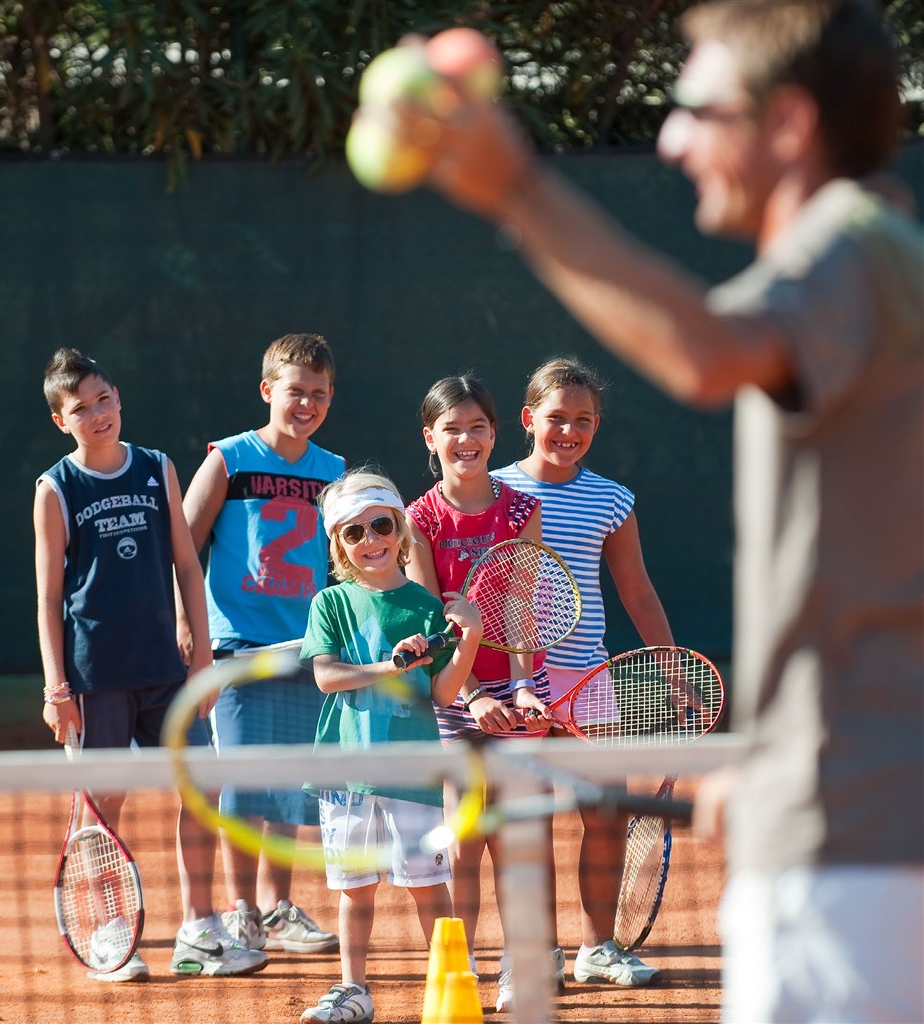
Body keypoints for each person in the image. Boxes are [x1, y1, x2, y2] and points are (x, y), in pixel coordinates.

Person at [394, 2, 924, 1020]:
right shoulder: (873, 260)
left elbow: (703, 354)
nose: (672, 139)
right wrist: (776, 754)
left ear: (788, 125)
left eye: (695, 106)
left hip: (852, 843)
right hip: (844, 811)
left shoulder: (846, 248)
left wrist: (515, 189)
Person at [34, 347, 267, 982]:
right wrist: (58, 689)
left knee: (202, 785)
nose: (98, 414)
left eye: (104, 399)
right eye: (80, 408)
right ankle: (112, 929)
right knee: (105, 800)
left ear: (118, 398)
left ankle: (199, 929)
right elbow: (49, 597)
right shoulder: (55, 488)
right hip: (93, 675)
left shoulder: (156, 467)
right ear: (62, 421)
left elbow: (186, 566)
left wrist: (203, 660)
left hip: (168, 668)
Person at [493, 355, 672, 987]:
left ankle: (599, 949)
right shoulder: (493, 492)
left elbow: (637, 591)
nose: (568, 431)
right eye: (556, 418)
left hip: (588, 683)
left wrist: (669, 664)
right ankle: (537, 954)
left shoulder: (612, 499)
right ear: (526, 419)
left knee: (603, 813)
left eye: (584, 420)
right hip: (512, 687)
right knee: (528, 821)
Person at [297, 469, 483, 1024]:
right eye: (353, 533)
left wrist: (468, 637)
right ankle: (353, 992)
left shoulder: (428, 608)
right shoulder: (329, 603)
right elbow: (327, 677)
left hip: (413, 773)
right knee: (355, 891)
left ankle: (449, 987)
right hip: (345, 772)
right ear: (338, 545)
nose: (370, 540)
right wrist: (390, 664)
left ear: (401, 531)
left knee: (428, 888)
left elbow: (445, 692)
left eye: (380, 525)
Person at [177, 333, 342, 957]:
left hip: (308, 650)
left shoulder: (332, 471)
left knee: (290, 786)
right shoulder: (230, 459)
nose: (306, 403)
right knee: (242, 785)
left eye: (319, 394)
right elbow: (184, 548)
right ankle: (240, 910)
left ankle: (277, 910)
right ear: (268, 390)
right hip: (238, 648)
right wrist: (188, 627)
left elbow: (347, 560)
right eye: (295, 391)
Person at [404, 374, 560, 1013]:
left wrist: (522, 686)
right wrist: (471, 695)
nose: (465, 439)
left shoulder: (522, 509)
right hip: (453, 690)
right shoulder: (418, 519)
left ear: (496, 433)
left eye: (477, 427)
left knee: (523, 834)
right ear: (430, 438)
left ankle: (522, 968)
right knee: (462, 835)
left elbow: (523, 604)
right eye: (452, 428)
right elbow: (429, 619)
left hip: (521, 687)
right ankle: (461, 968)